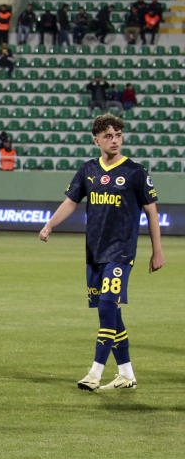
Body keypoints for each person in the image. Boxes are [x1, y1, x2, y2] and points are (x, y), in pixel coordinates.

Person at [39, 113, 163, 392]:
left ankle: (95, 372)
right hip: (95, 253)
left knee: (108, 306)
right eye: (108, 135)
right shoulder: (88, 170)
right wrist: (49, 225)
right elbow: (70, 202)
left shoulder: (136, 172)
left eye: (118, 134)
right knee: (110, 314)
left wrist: (158, 250)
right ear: (96, 140)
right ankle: (126, 374)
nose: (115, 140)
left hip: (121, 252)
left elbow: (152, 213)